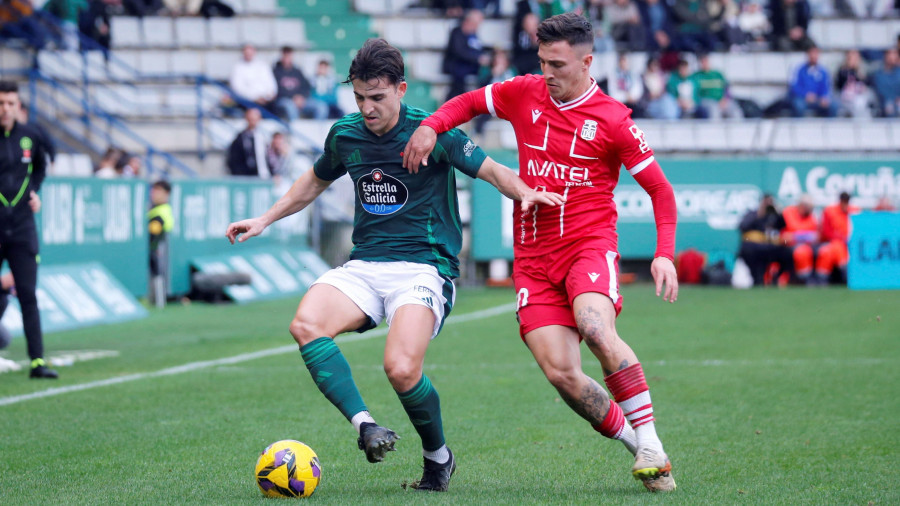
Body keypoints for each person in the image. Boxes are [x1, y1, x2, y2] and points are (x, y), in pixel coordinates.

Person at [225, 38, 563, 493]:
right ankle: (366, 426)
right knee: (305, 324)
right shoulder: (345, 134)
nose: (367, 108)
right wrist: (265, 218)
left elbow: (490, 170)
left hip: (425, 269)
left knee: (401, 368)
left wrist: (525, 192)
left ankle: (438, 458)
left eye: (377, 97)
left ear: (401, 89)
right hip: (365, 265)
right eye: (360, 97)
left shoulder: (431, 131)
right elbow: (314, 181)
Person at [402, 13, 679, 493]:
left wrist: (664, 253)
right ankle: (640, 449)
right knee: (561, 373)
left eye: (557, 63)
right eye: (542, 61)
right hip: (533, 258)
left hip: (588, 246)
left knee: (595, 327)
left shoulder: (612, 119)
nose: (547, 72)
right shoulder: (524, 91)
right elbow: (469, 102)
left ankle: (652, 440)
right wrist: (430, 126)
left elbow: (660, 190)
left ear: (587, 61)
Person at [0, 80, 56, 378]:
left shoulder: (30, 136)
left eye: (10, 103)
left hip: (22, 228)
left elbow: (42, 167)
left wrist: (34, 191)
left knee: (28, 295)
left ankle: (37, 361)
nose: (5, 109)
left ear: (18, 106)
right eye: (1, 103)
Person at [738, 194, 792, 286]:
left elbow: (783, 226)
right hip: (755, 247)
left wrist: (778, 211)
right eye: (766, 202)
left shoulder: (774, 215)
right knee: (748, 251)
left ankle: (777, 278)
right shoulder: (754, 213)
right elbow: (743, 226)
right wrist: (760, 213)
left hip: (770, 247)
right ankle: (757, 280)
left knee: (787, 252)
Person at [442, 9, 488, 100]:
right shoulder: (457, 32)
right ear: (468, 21)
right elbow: (458, 52)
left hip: (470, 65)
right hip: (455, 64)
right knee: (459, 72)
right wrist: (477, 59)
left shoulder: (473, 34)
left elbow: (478, 49)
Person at [272, 46, 325, 122]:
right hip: (283, 101)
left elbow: (306, 86)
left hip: (300, 100)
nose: (287, 58)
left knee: (321, 106)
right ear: (282, 56)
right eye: (285, 56)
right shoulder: (276, 71)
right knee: (290, 106)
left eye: (289, 56)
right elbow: (275, 90)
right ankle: (295, 131)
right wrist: (293, 98)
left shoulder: (297, 71)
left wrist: (301, 97)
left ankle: (318, 132)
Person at [817, 191, 859, 285]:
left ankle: (849, 276)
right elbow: (826, 232)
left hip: (852, 242)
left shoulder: (855, 211)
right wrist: (841, 238)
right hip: (834, 242)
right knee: (832, 250)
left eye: (847, 201)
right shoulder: (829, 211)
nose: (845, 203)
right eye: (843, 201)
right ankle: (842, 276)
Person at [789, 45, 837, 118]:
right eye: (812, 53)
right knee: (799, 106)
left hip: (817, 99)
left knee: (834, 105)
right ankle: (798, 127)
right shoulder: (799, 70)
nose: (814, 56)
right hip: (802, 98)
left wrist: (824, 97)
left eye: (816, 53)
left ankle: (830, 127)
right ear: (807, 55)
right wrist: (806, 94)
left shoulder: (823, 71)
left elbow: (826, 87)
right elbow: (794, 86)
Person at [691, 53, 743, 120]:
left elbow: (727, 88)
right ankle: (714, 130)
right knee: (714, 110)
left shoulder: (718, 74)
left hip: (721, 100)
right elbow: (694, 92)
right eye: (702, 61)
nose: (704, 63)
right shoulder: (696, 76)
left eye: (706, 61)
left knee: (736, 111)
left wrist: (725, 99)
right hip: (706, 100)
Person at [226, 108, 271, 178]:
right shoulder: (240, 139)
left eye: (254, 119)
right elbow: (234, 160)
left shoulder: (263, 137)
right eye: (251, 119)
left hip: (263, 176)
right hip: (246, 178)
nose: (253, 121)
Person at [148, 180, 173, 306]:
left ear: (166, 193)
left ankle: (159, 300)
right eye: (153, 190)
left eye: (158, 191)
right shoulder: (155, 209)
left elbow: (154, 232)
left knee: (157, 271)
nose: (154, 194)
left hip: (157, 246)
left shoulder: (160, 212)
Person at [229, 44, 278, 108]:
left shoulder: (262, 65)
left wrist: (268, 96)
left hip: (267, 101)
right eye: (247, 53)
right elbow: (238, 88)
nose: (249, 55)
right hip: (248, 102)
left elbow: (271, 84)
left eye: (250, 53)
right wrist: (255, 98)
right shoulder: (237, 68)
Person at [871, 49, 900, 118]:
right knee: (889, 106)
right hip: (885, 105)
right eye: (890, 53)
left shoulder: (898, 72)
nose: (892, 56)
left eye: (895, 53)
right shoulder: (878, 75)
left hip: (897, 103)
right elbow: (881, 92)